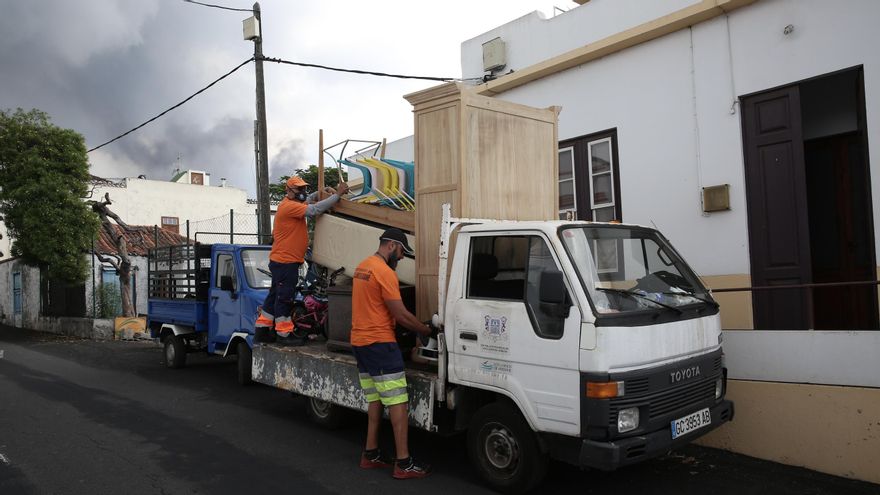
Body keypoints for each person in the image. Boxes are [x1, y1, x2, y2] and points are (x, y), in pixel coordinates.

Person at [351, 228, 433, 479]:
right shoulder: (385, 272)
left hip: (360, 343)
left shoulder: (362, 267)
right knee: (398, 401)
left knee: (375, 399)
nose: (402, 257)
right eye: (401, 251)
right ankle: (404, 463)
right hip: (380, 344)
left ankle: (371, 453)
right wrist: (424, 330)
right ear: (392, 246)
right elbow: (400, 314)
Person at [254, 176, 350, 345]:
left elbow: (307, 201)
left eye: (304, 188)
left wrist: (320, 192)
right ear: (289, 191)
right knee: (284, 298)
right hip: (285, 263)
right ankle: (284, 334)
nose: (302, 192)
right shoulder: (289, 207)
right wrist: (337, 195)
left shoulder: (291, 204)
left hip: (282, 262)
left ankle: (262, 330)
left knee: (274, 296)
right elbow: (314, 210)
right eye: (299, 189)